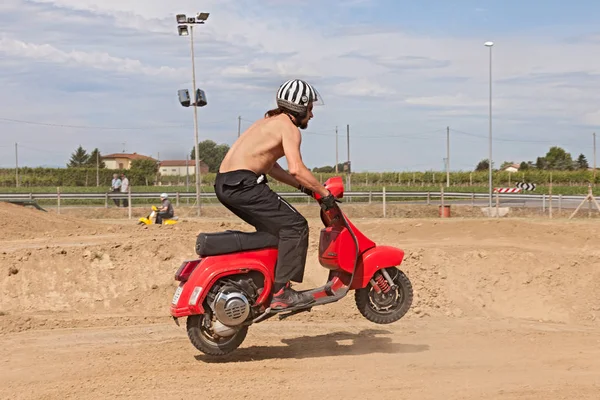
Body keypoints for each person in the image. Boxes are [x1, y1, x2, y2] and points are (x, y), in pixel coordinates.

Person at [214, 79, 337, 311]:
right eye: (310, 108)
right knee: (296, 226)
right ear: (299, 107)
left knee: (275, 230)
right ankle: (282, 293)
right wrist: (324, 193)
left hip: (225, 183)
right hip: (244, 184)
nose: (312, 115)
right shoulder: (288, 128)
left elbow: (272, 167)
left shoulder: (268, 122)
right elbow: (296, 168)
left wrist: (304, 188)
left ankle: (262, 283)